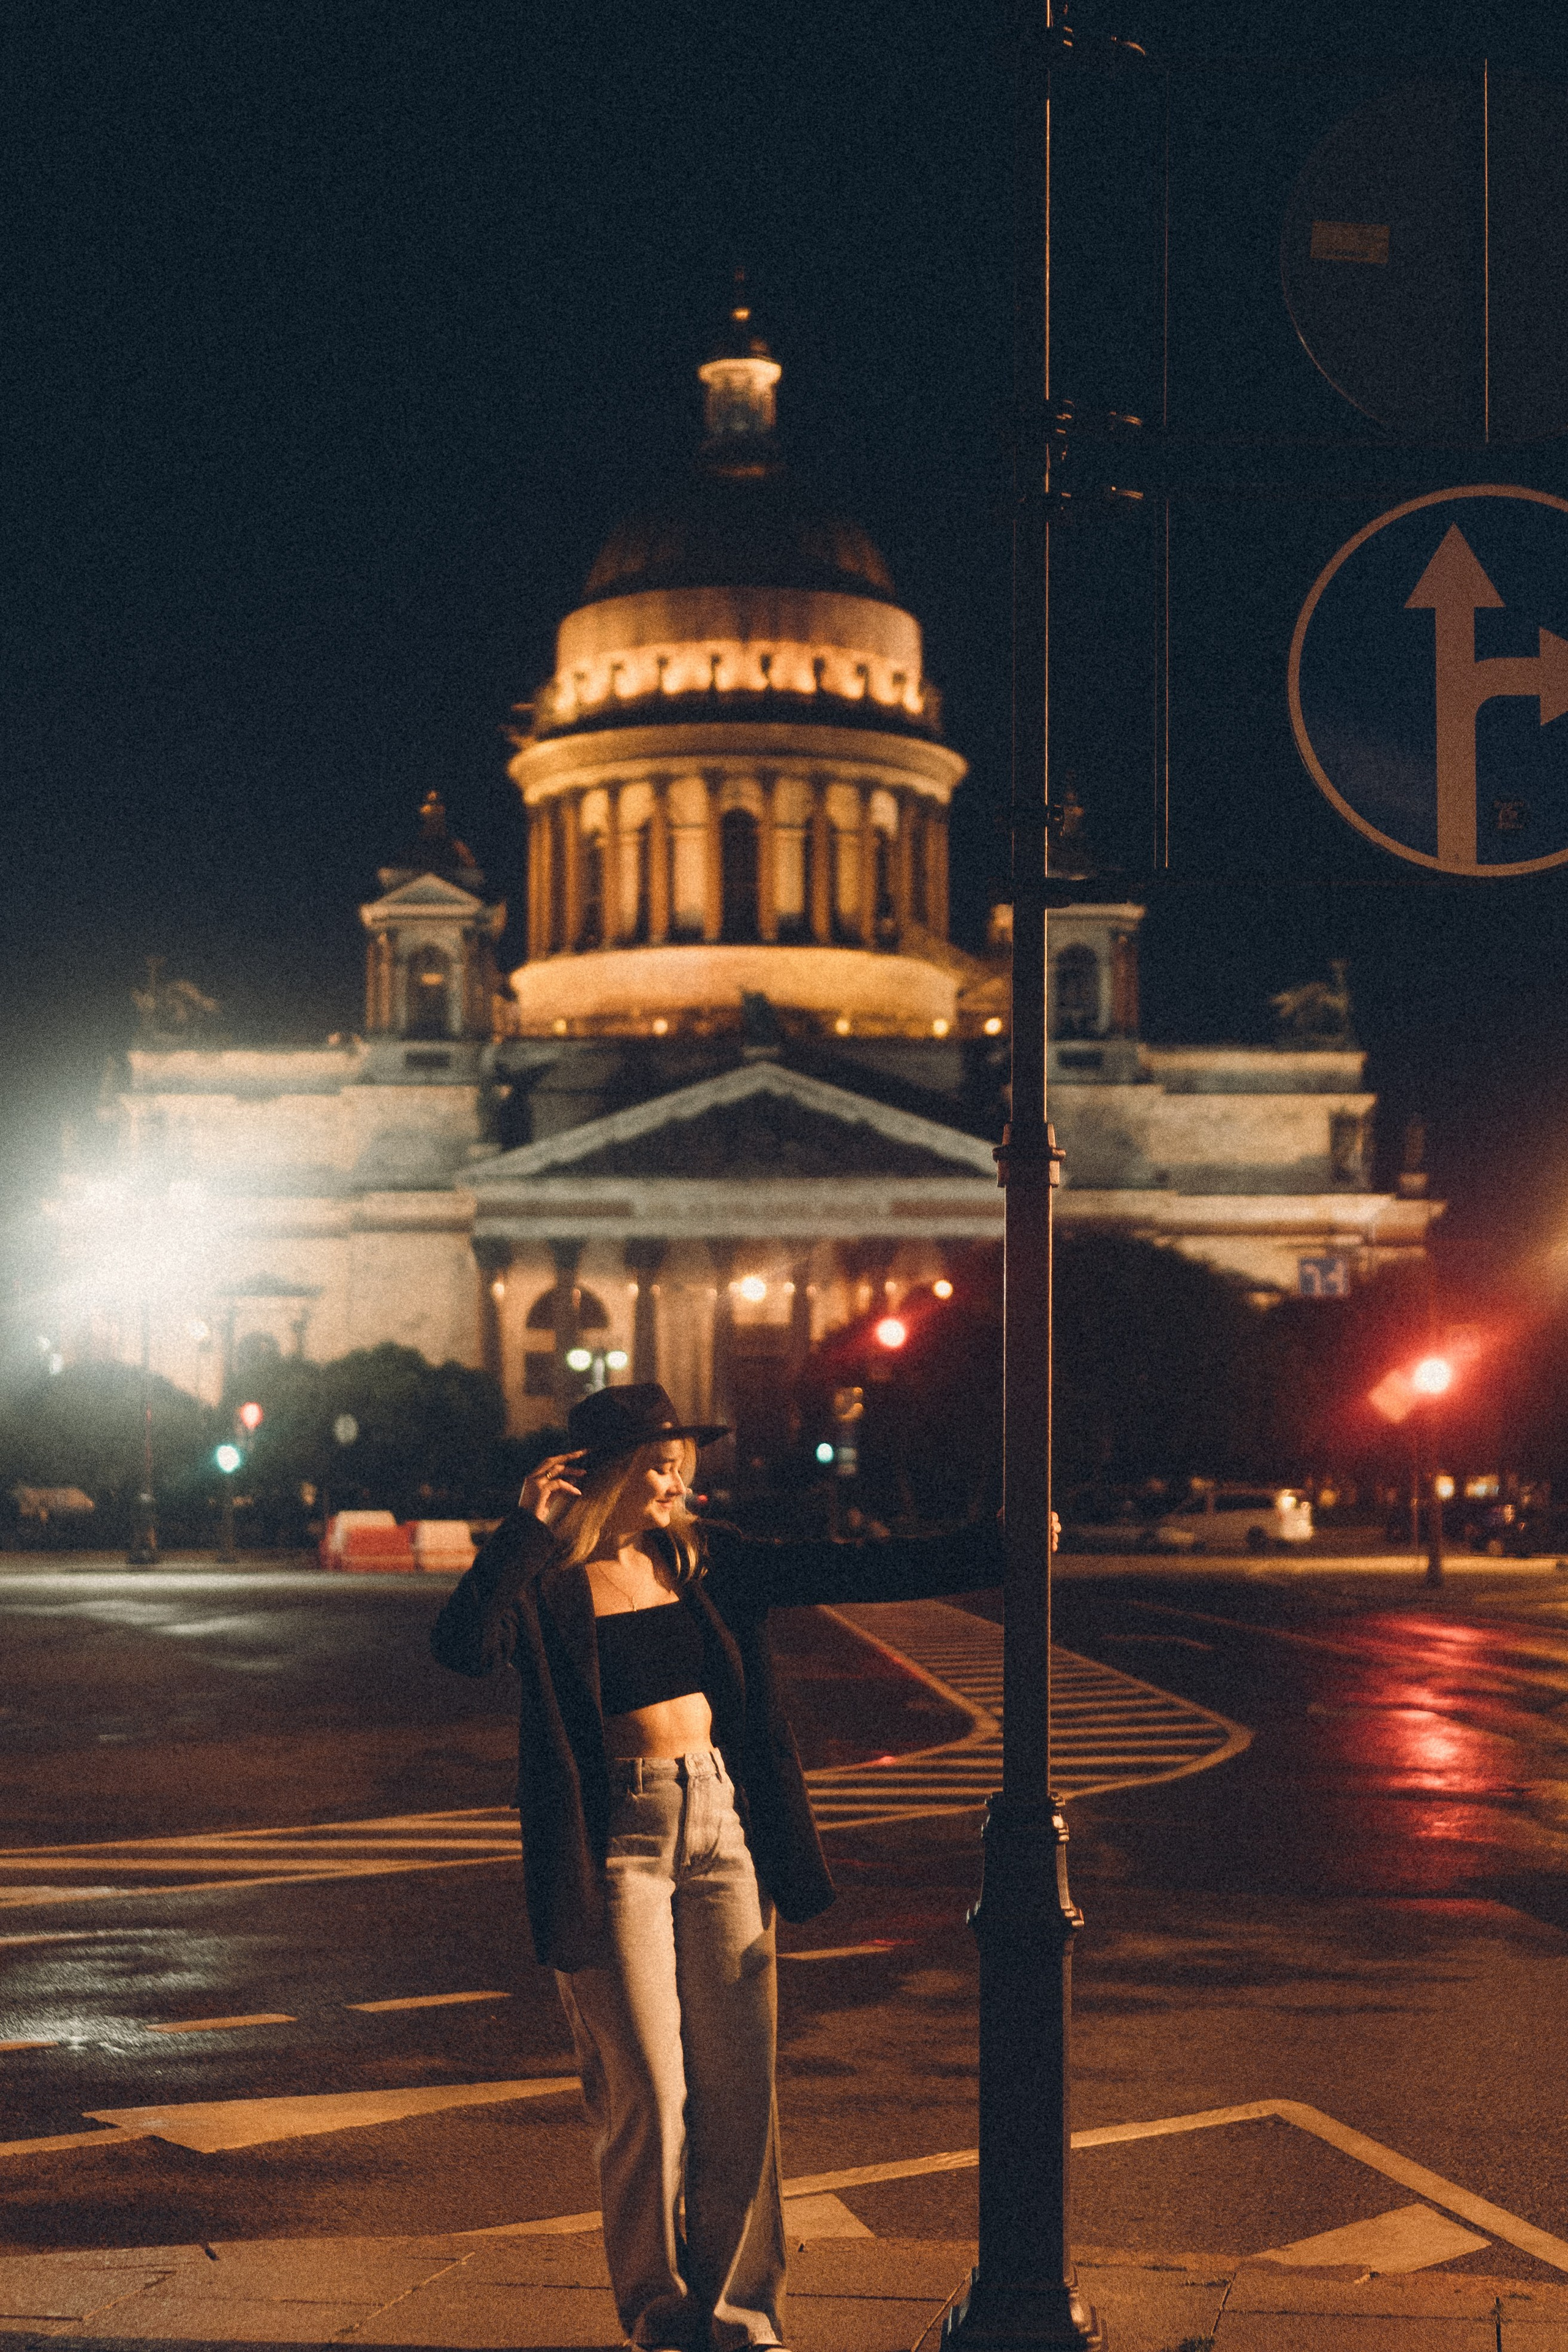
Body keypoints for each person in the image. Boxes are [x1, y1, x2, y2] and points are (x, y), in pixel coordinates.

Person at [430, 1381, 1003, 2352]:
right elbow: (461, 1646)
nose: (673, 1482)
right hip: (616, 1840)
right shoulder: (550, 1585)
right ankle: (658, 2312)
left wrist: (997, 1546)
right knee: (649, 2089)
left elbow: (851, 1569)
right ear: (600, 1474)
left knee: (740, 2084)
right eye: (657, 1465)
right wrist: (525, 1530)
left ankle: (738, 2314)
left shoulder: (704, 1561)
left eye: (681, 1466)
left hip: (721, 1827)